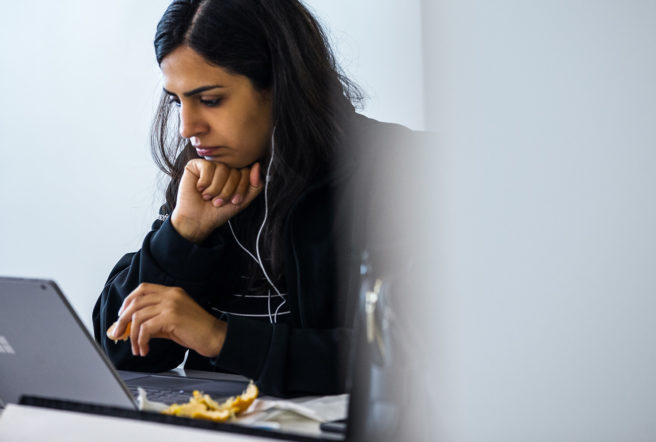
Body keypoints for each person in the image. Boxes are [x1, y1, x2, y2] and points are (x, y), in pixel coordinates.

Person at [92, 0, 417, 397]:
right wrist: (182, 235)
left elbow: (407, 356)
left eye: (210, 100)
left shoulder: (398, 167)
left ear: (281, 84)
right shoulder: (206, 173)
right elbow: (121, 353)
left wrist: (220, 338)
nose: (186, 128)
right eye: (178, 101)